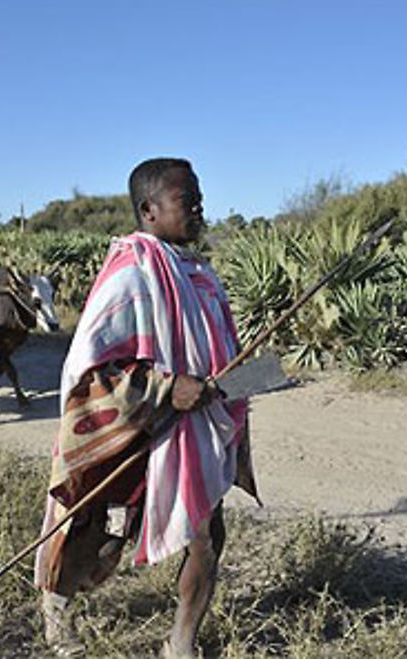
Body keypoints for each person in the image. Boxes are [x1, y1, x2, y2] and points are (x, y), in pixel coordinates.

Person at [34, 158, 259, 658]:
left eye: (199, 197)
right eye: (187, 199)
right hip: (137, 427)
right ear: (149, 210)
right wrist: (164, 388)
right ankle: (57, 613)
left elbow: (222, 353)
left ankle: (181, 643)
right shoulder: (131, 273)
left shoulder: (201, 274)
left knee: (205, 533)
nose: (199, 207)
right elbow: (87, 370)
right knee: (100, 532)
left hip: (198, 426)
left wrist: (244, 379)